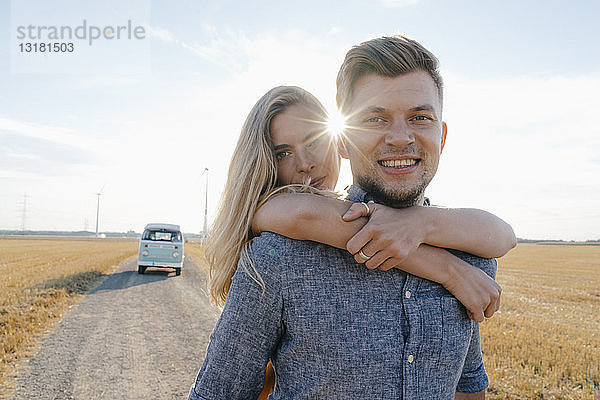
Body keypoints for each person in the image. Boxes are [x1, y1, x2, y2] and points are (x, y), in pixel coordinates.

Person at [189, 36, 513, 398]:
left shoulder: (472, 260)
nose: (401, 138)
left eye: (420, 117)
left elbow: (468, 386)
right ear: (343, 139)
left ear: (442, 134)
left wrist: (426, 231)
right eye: (376, 119)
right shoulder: (275, 260)